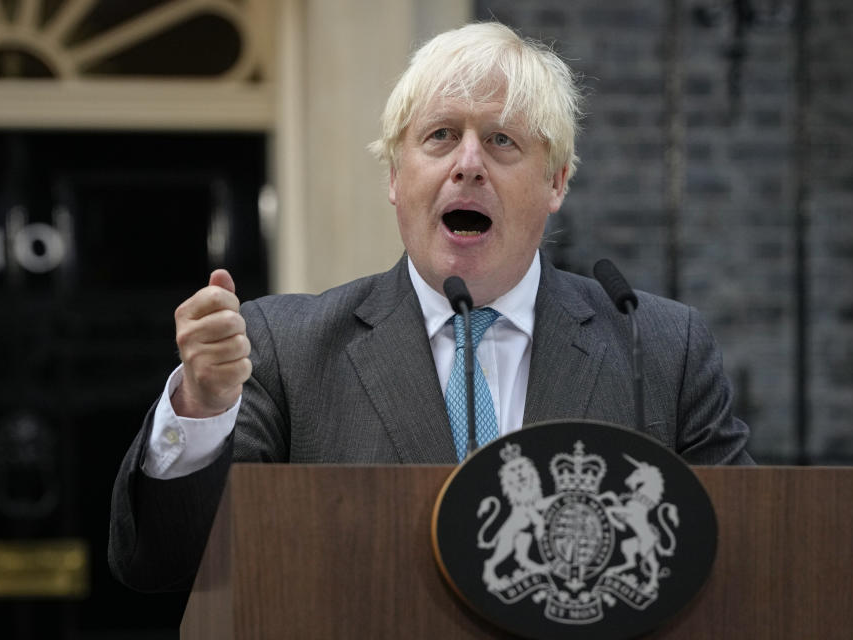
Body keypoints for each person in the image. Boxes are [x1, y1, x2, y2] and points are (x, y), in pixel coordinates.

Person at [109, 21, 753, 593]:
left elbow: (744, 561)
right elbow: (166, 561)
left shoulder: (659, 349)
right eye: (441, 136)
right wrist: (201, 408)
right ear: (395, 176)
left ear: (556, 181)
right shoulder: (285, 348)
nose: (468, 164)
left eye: (502, 140)